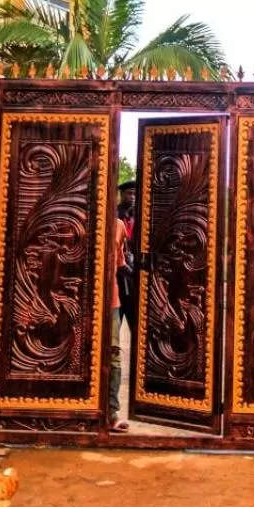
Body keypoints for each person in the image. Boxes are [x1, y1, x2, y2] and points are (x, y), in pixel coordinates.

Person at [109, 180, 139, 430]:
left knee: (115, 352)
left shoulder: (134, 219)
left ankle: (111, 412)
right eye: (127, 192)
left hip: (126, 286)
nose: (131, 197)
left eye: (134, 193)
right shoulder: (115, 216)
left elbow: (120, 259)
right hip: (114, 288)